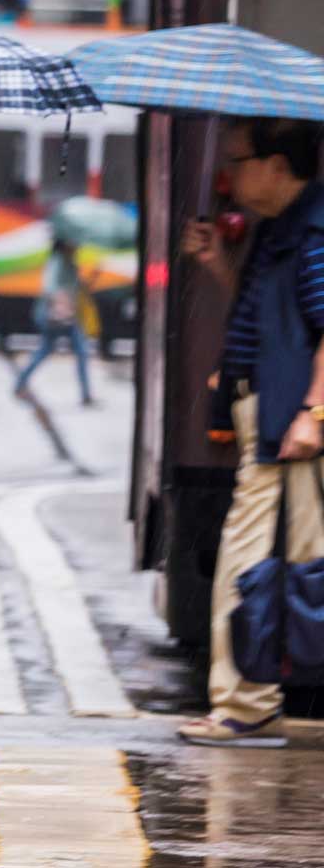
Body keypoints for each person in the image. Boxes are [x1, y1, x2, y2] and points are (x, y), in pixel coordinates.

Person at [174, 116, 324, 748]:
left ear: (279, 166)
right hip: (269, 416)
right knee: (272, 563)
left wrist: (314, 414)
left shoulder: (313, 232)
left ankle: (247, 702)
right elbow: (269, 317)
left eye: (239, 160)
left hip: (289, 423)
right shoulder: (280, 230)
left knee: (256, 562)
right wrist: (216, 263)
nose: (227, 174)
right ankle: (248, 699)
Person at [13, 238, 95, 405]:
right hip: (53, 315)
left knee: (55, 350)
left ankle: (20, 383)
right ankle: (85, 394)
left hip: (67, 316)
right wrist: (62, 299)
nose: (77, 245)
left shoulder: (69, 263)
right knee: (74, 350)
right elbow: (49, 287)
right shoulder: (57, 261)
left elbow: (76, 286)